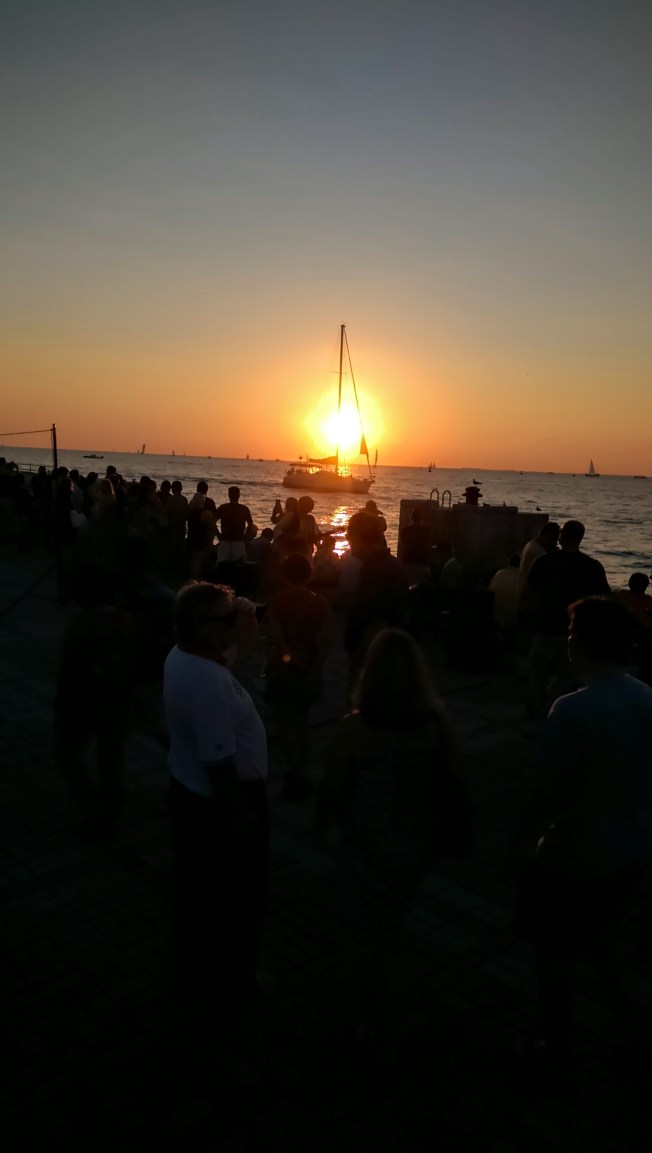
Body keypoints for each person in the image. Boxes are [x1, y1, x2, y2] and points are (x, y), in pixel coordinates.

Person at [509, 597, 652, 1080]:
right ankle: (634, 1029)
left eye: (572, 633)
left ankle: (557, 1049)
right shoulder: (645, 697)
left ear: (582, 644)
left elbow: (542, 792)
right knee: (598, 941)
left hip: (575, 856)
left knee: (552, 956)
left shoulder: (572, 709)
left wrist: (516, 843)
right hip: (632, 852)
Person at [316, 629, 472, 1059]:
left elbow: (332, 788)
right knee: (391, 916)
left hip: (366, 845)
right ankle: (389, 987)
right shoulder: (436, 726)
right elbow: (456, 782)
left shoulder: (355, 729)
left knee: (365, 935)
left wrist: (321, 823)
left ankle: (377, 1022)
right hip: (416, 845)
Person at [163, 581, 268, 1044]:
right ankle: (230, 990)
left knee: (198, 897)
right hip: (220, 807)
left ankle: (198, 975)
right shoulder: (207, 682)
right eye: (227, 618)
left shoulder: (184, 655)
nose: (235, 623)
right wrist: (244, 821)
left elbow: (228, 662)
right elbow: (221, 766)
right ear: (204, 626)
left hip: (188, 794)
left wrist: (242, 627)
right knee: (235, 902)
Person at [526, 520, 610, 715]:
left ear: (561, 537)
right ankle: (555, 712)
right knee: (565, 679)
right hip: (575, 632)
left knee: (537, 673)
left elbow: (528, 592)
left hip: (546, 628)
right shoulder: (592, 566)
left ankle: (535, 708)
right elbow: (604, 599)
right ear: (580, 539)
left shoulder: (544, 562)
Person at [266, 554, 331, 799]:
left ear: (284, 575)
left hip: (285, 670)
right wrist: (314, 669)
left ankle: (296, 772)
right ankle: (302, 767)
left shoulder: (277, 601)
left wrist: (291, 659)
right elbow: (325, 641)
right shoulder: (320, 603)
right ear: (309, 574)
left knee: (284, 721)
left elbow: (278, 639)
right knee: (302, 721)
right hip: (310, 666)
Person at [215, 486, 254, 564]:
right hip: (239, 541)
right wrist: (245, 537)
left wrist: (218, 535)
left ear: (229, 495)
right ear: (239, 496)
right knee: (239, 564)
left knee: (222, 565)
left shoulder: (223, 508)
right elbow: (250, 524)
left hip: (225, 540)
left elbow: (212, 521)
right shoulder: (244, 509)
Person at [489, 554, 523, 637]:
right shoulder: (522, 577)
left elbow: (490, 592)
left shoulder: (500, 574)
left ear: (508, 562)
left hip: (497, 618)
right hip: (515, 620)